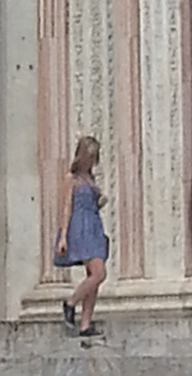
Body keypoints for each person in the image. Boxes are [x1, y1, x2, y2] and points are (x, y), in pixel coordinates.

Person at [55, 133, 109, 335]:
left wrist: (99, 202)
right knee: (99, 273)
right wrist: (63, 235)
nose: (91, 161)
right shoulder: (72, 178)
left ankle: (86, 323)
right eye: (89, 156)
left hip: (94, 224)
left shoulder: (90, 178)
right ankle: (70, 303)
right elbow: (66, 207)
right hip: (80, 226)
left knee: (93, 276)